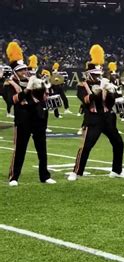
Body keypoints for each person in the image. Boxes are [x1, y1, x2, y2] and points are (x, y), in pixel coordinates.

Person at [67, 44, 124, 181]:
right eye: (95, 75)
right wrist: (99, 90)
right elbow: (86, 101)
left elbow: (112, 102)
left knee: (118, 143)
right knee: (86, 146)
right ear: (88, 74)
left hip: (108, 119)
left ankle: (116, 171)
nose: (98, 77)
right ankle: (76, 172)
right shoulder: (82, 86)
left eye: (99, 74)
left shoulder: (105, 83)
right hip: (93, 119)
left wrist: (115, 92)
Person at [4, 41, 56, 186]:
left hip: (38, 118)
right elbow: (12, 100)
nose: (24, 72)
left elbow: (43, 98)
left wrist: (43, 87)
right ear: (15, 71)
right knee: (20, 150)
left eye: (25, 69)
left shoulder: (32, 80)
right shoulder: (10, 84)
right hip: (23, 120)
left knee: (42, 149)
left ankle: (44, 176)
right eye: (21, 70)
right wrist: (27, 89)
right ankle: (14, 177)